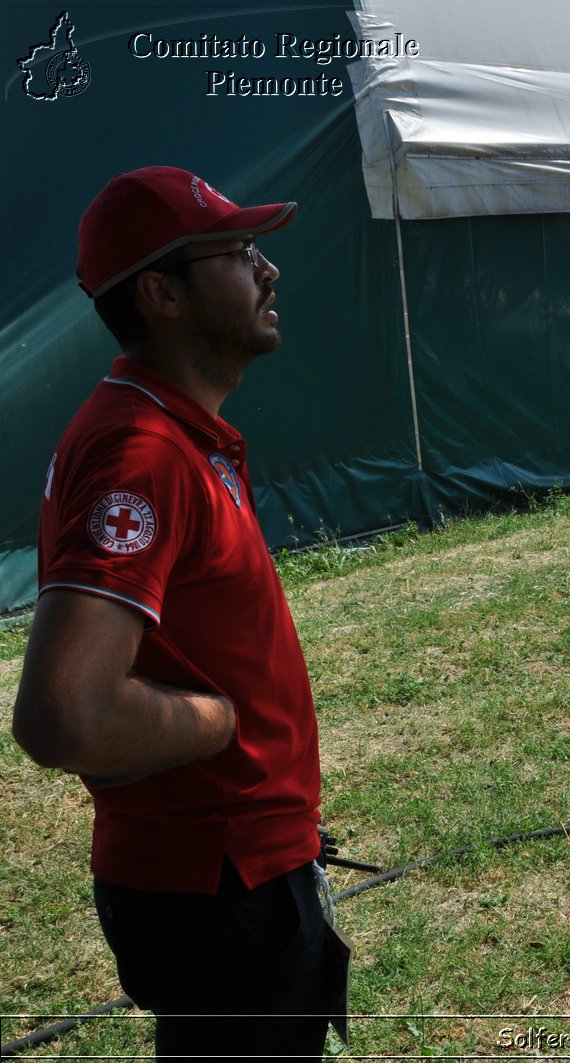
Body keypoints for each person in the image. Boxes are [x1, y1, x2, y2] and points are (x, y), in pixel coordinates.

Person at [10, 166, 346, 1059]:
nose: (267, 269)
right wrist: (220, 721)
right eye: (237, 252)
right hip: (217, 885)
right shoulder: (141, 451)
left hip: (234, 871)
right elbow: (64, 714)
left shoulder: (170, 431)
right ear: (161, 293)